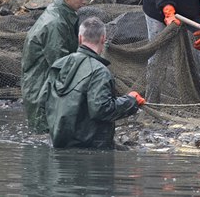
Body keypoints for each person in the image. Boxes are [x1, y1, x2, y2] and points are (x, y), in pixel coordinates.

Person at [44, 17, 144, 149]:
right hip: (91, 148)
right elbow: (101, 109)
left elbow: (42, 100)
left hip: (57, 142)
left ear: (79, 38)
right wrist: (131, 101)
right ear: (103, 39)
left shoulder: (58, 64)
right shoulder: (100, 72)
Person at [21, 0, 90, 133]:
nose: (85, 2)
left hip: (47, 87)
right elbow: (61, 64)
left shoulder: (62, 15)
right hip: (41, 94)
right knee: (45, 140)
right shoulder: (55, 23)